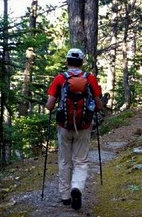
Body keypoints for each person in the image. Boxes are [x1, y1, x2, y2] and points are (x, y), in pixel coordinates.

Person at [45, 48, 103, 210]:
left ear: (67, 62)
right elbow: (99, 105)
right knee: (81, 160)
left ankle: (65, 196)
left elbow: (49, 106)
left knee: (65, 160)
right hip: (84, 126)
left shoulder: (60, 78)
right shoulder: (89, 78)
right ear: (82, 62)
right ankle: (76, 187)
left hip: (63, 126)